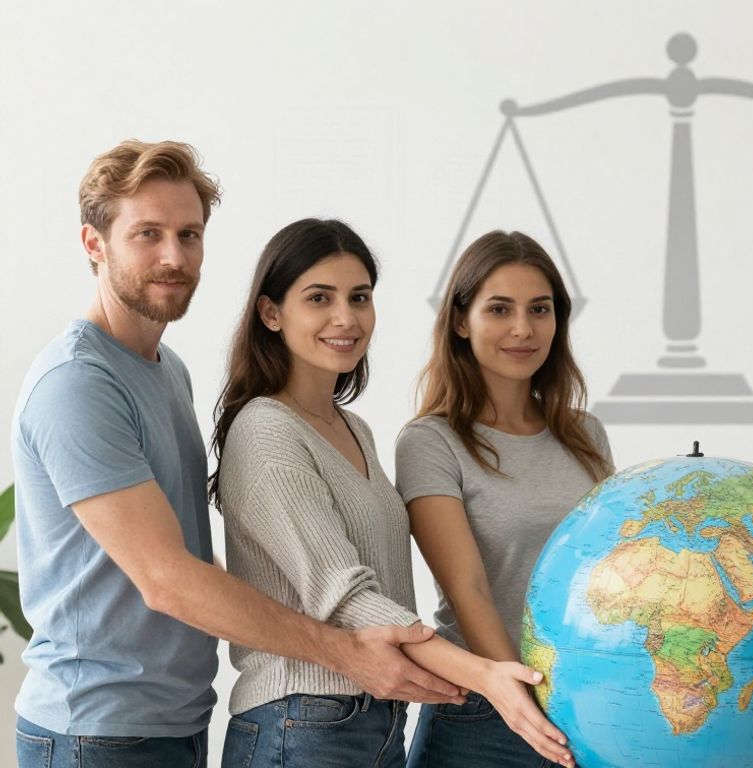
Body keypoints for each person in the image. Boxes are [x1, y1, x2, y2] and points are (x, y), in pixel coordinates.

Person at [11, 141, 460, 768]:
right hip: (95, 730)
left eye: (189, 234)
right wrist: (343, 651)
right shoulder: (78, 384)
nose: (174, 256)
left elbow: (194, 556)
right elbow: (166, 579)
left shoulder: (168, 372)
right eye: (147, 234)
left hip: (176, 719)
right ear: (94, 244)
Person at [211, 219, 560, 767]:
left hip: (375, 717)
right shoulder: (266, 429)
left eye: (360, 297)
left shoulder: (355, 430)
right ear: (271, 313)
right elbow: (348, 597)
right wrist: (486, 676)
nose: (345, 318)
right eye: (319, 298)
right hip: (299, 722)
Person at [397, 230, 613, 768]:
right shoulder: (430, 441)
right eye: (500, 309)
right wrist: (518, 696)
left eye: (539, 309)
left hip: (583, 711)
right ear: (459, 321)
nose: (523, 328)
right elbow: (466, 589)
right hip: (483, 714)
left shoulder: (585, 436)